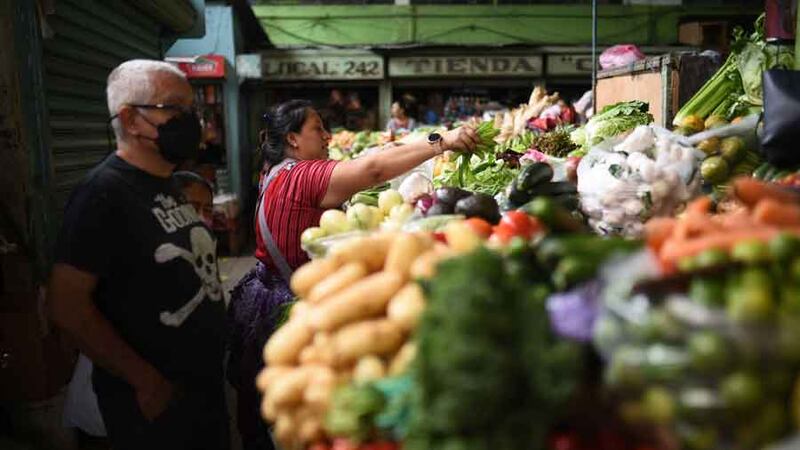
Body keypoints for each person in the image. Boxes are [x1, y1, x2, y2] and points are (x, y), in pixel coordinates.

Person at [227, 99, 479, 450]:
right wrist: (442, 141)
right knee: (296, 415)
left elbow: (372, 160)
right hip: (286, 305)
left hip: (264, 293)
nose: (328, 135)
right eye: (318, 128)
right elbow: (373, 169)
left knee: (270, 413)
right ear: (294, 140)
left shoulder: (275, 171)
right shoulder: (301, 176)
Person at [47, 60, 229, 450]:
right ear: (130, 119)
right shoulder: (103, 193)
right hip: (154, 406)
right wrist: (144, 381)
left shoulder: (168, 184)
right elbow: (66, 304)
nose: (190, 120)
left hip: (201, 393)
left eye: (191, 108)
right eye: (174, 109)